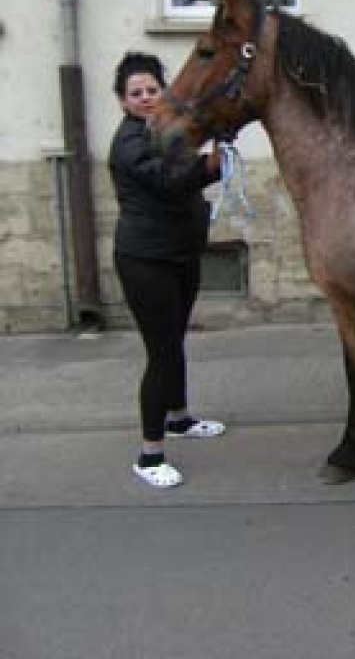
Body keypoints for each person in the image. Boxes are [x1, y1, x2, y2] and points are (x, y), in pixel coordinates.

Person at [109, 51, 226, 489]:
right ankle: (149, 453)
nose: (144, 97)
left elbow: (183, 166)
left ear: (163, 93)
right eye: (135, 93)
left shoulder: (165, 129)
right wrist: (209, 165)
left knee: (174, 343)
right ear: (123, 102)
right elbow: (167, 179)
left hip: (179, 255)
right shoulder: (130, 143)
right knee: (162, 354)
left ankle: (179, 419)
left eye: (151, 90)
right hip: (145, 262)